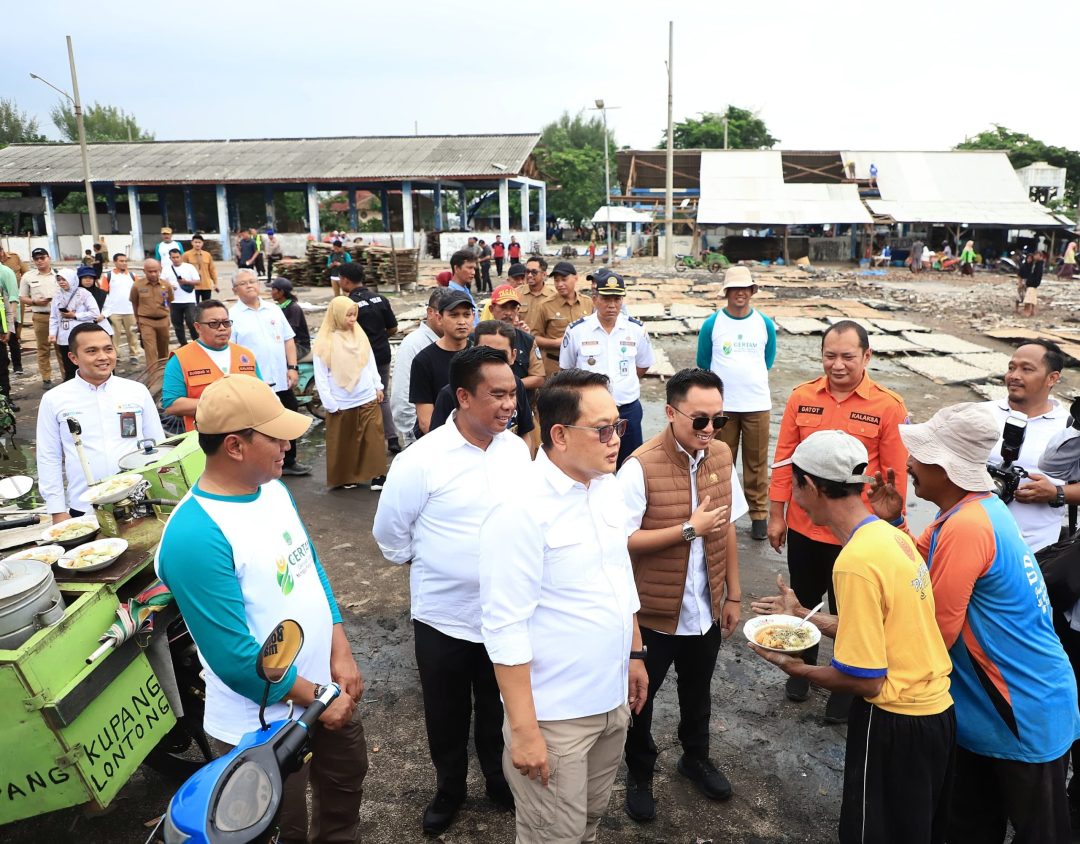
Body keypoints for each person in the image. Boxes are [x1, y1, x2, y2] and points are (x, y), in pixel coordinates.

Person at [155, 374, 368, 843]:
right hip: (263, 724)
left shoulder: (272, 490)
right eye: (275, 437)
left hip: (322, 691)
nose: (288, 446)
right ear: (234, 446)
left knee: (344, 788)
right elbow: (236, 659)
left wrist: (341, 649)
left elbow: (309, 568)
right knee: (280, 828)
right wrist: (319, 698)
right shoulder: (196, 535)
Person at [869, 402, 1080, 843]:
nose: (909, 464)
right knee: (968, 823)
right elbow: (916, 566)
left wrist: (858, 658)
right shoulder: (965, 512)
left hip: (1021, 706)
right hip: (989, 709)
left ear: (945, 468)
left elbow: (934, 632)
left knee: (1041, 833)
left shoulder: (968, 527)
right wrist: (893, 520)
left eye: (920, 455)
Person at [751, 429, 955, 844]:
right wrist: (808, 618)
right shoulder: (891, 535)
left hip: (894, 719)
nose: (791, 492)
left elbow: (865, 678)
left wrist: (796, 667)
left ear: (810, 486)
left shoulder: (854, 563)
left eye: (794, 481)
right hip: (936, 714)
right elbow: (884, 625)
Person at [479, 368, 648, 843]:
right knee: (551, 834)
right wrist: (526, 731)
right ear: (559, 435)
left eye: (619, 425)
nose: (616, 438)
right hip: (556, 717)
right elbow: (504, 627)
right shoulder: (520, 511)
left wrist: (634, 653)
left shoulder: (606, 487)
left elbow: (619, 577)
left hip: (610, 699)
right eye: (603, 429)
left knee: (588, 822)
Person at [374, 346, 530, 835]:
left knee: (497, 706)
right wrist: (433, 564)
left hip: (504, 615)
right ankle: (449, 789)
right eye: (498, 395)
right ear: (463, 396)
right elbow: (390, 536)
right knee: (446, 714)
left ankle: (497, 781)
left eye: (514, 394)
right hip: (443, 617)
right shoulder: (421, 460)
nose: (511, 405)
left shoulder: (516, 451)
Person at [618, 368, 747, 821]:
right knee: (642, 699)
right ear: (671, 412)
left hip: (704, 608)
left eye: (718, 419)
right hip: (654, 613)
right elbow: (622, 541)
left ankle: (695, 757)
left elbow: (727, 526)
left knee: (698, 692)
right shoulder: (639, 466)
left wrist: (732, 595)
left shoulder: (722, 455)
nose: (709, 430)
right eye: (699, 420)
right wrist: (688, 529)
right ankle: (639, 772)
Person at [768, 320, 909, 722]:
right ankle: (802, 665)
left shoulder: (888, 406)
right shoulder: (802, 397)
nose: (838, 365)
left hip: (855, 533)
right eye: (830, 356)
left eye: (848, 356)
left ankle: (844, 686)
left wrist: (894, 528)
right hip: (804, 525)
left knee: (851, 611)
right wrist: (776, 515)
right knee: (805, 599)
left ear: (867, 356)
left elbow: (894, 479)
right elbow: (784, 462)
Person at [37, 323, 164, 521]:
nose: (103, 357)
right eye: (91, 351)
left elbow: (157, 445)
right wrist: (57, 510)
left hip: (139, 502)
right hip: (85, 508)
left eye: (108, 349)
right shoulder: (55, 399)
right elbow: (48, 457)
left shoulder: (136, 391)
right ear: (73, 358)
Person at [697, 265, 777, 540]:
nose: (740, 293)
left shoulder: (764, 324)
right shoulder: (712, 324)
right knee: (720, 460)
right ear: (727, 292)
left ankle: (758, 515)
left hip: (756, 403)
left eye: (745, 288)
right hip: (723, 408)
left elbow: (768, 359)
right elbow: (703, 363)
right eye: (735, 289)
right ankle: (722, 512)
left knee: (756, 462)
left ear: (752, 292)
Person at [983, 340, 1073, 553]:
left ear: (1052, 378)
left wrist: (1056, 492)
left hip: (1033, 553)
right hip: (970, 542)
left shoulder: (1069, 430)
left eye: (1027, 369)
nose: (1014, 375)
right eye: (1011, 367)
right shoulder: (978, 414)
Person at [560, 268, 653, 467]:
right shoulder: (577, 331)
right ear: (594, 298)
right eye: (606, 298)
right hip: (589, 412)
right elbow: (566, 371)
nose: (612, 305)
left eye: (617, 299)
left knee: (631, 465)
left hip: (627, 410)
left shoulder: (636, 329)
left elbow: (643, 365)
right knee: (590, 463)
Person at [229, 269, 310, 476]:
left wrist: (292, 367)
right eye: (243, 283)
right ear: (235, 290)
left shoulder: (273, 309)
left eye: (253, 281)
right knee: (261, 425)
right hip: (255, 383)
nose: (249, 285)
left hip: (281, 379)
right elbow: (231, 351)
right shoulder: (233, 316)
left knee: (289, 415)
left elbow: (288, 340)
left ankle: (289, 461)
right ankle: (262, 463)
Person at [312, 297, 386, 490]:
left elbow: (369, 363)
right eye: (348, 315)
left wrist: (378, 386)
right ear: (336, 316)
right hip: (342, 400)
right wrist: (330, 403)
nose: (353, 319)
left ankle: (378, 475)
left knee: (374, 438)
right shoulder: (324, 343)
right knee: (345, 441)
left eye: (354, 315)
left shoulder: (360, 336)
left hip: (366, 395)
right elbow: (321, 377)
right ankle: (348, 476)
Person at [162, 299, 261, 432]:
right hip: (206, 441)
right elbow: (172, 405)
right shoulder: (180, 359)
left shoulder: (245, 355)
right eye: (214, 323)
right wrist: (222, 405)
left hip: (249, 435)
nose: (222, 328)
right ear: (197, 327)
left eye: (226, 323)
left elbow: (262, 393)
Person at [429, 320, 535, 441]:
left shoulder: (517, 385)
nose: (509, 404)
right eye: (486, 352)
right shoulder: (450, 394)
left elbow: (525, 432)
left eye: (501, 355)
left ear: (513, 355)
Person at [338, 263, 399, 454]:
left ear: (345, 280)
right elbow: (393, 328)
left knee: (360, 399)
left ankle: (366, 444)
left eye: (340, 279)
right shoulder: (380, 299)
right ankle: (393, 438)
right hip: (382, 354)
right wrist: (379, 338)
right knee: (383, 397)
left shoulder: (349, 305)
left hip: (359, 359)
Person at [409, 290, 473, 437]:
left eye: (466, 314)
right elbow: (426, 422)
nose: (462, 321)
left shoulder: (479, 354)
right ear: (439, 318)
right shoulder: (424, 361)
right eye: (454, 315)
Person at [390, 289, 442, 445]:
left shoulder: (455, 342)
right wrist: (413, 432)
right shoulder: (414, 344)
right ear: (431, 312)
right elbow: (401, 394)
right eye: (448, 313)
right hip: (422, 435)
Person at [19, 246, 73, 386]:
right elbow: (23, 297)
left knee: (62, 347)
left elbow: (71, 291)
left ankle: (67, 376)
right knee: (43, 348)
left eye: (42, 258)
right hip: (41, 316)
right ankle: (46, 378)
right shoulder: (28, 276)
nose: (39, 261)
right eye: (36, 259)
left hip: (60, 316)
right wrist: (35, 301)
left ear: (49, 258)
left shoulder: (59, 275)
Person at [535, 261, 593, 377]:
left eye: (564, 279)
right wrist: (555, 343)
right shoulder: (545, 305)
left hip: (582, 365)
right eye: (556, 280)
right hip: (555, 366)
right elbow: (534, 338)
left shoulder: (588, 303)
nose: (560, 284)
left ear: (576, 278)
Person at [50, 266, 106, 382]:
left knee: (85, 362)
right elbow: (54, 316)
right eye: (59, 280)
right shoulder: (57, 296)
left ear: (71, 279)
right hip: (64, 336)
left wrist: (75, 316)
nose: (61, 282)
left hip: (82, 335)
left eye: (64, 279)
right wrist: (52, 333)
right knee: (69, 365)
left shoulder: (83, 294)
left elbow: (94, 313)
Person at [129, 259, 174, 365]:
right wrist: (138, 321)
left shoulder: (166, 285)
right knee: (150, 350)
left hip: (163, 320)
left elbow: (170, 301)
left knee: (164, 350)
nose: (153, 274)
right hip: (146, 321)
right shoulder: (137, 285)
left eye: (155, 271)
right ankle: (153, 379)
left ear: (160, 270)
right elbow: (135, 304)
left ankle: (164, 374)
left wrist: (167, 317)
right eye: (150, 271)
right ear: (144, 271)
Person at [100, 253, 141, 365]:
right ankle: (115, 356)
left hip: (130, 311)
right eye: (121, 261)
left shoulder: (132, 276)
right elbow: (103, 293)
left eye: (125, 261)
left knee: (132, 334)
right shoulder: (108, 276)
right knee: (114, 336)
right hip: (114, 311)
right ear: (115, 262)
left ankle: (134, 354)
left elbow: (138, 292)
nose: (124, 263)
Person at [164, 248, 200, 346]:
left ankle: (197, 342)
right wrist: (170, 287)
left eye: (177, 257)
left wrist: (186, 282)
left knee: (191, 322)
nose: (175, 259)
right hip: (174, 301)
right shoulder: (166, 269)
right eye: (173, 257)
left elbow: (197, 281)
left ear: (181, 256)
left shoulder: (189, 267)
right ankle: (183, 344)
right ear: (170, 258)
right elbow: (162, 283)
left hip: (189, 300)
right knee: (177, 324)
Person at [270, 278, 311, 359]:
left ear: (281, 292)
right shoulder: (277, 307)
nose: (271, 292)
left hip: (299, 345)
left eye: (273, 289)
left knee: (276, 356)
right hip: (286, 342)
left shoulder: (293, 308)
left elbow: (290, 333)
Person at [516, 256, 554, 337]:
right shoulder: (516, 293)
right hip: (520, 344)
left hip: (544, 346)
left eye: (534, 272)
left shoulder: (553, 297)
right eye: (527, 271)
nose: (529, 275)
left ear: (544, 275)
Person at [0, 245, 23, 375]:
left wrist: (11, 318)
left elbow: (13, 296)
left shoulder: (6, 272)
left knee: (13, 340)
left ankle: (17, 366)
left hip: (8, 312)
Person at [182, 233, 219, 303]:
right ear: (192, 243)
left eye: (199, 242)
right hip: (193, 286)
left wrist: (216, 283)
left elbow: (212, 270)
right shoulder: (186, 255)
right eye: (195, 242)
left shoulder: (207, 255)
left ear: (202, 243)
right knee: (194, 306)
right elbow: (183, 270)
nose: (197, 244)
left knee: (206, 305)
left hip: (206, 285)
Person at [446, 249, 478, 314]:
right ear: (456, 268)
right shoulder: (452, 295)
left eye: (474, 268)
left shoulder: (465, 290)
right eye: (469, 268)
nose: (473, 272)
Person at [1022, 251, 1044, 317]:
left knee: (1029, 299)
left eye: (1036, 255)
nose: (1035, 257)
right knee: (1032, 298)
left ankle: (1028, 312)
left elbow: (1037, 275)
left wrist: (1031, 282)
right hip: (1033, 283)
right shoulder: (1036, 264)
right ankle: (1032, 312)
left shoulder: (1039, 265)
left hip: (1033, 284)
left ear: (1040, 256)